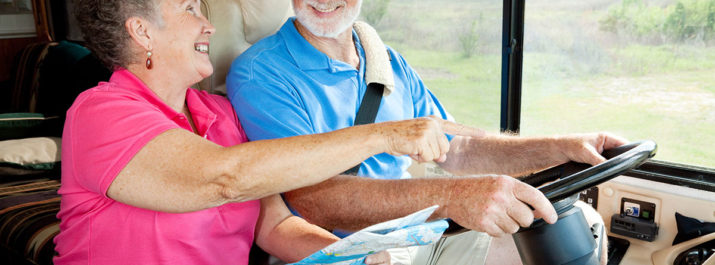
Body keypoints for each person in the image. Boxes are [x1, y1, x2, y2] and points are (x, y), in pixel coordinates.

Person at [52, 0, 489, 264]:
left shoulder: (220, 114)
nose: (209, 25)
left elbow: (276, 226)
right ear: (141, 30)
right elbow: (223, 179)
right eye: (188, 8)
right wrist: (385, 135)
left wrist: (358, 258)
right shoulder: (100, 112)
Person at [226, 0, 623, 264]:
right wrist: (453, 198)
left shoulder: (387, 63)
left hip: (420, 235)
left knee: (577, 224)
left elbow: (460, 150)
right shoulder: (262, 74)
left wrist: (563, 147)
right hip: (346, 248)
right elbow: (316, 199)